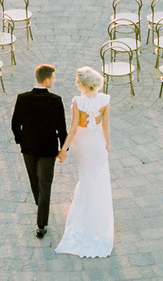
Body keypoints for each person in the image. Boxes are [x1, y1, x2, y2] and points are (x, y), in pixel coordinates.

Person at [55, 66, 113, 258]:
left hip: (82, 144)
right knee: (97, 179)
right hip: (97, 143)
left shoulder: (77, 102)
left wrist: (63, 150)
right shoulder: (105, 100)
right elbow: (105, 126)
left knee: (85, 177)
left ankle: (86, 216)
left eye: (77, 80)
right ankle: (98, 215)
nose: (76, 82)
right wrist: (107, 145)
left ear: (84, 83)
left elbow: (73, 128)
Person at [11, 63, 67, 239]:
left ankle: (40, 211)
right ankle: (41, 221)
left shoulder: (23, 98)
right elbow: (61, 128)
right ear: (48, 79)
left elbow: (15, 124)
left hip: (28, 148)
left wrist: (21, 140)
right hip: (47, 150)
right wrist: (63, 149)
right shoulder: (55, 100)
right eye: (54, 78)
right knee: (44, 184)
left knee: (34, 180)